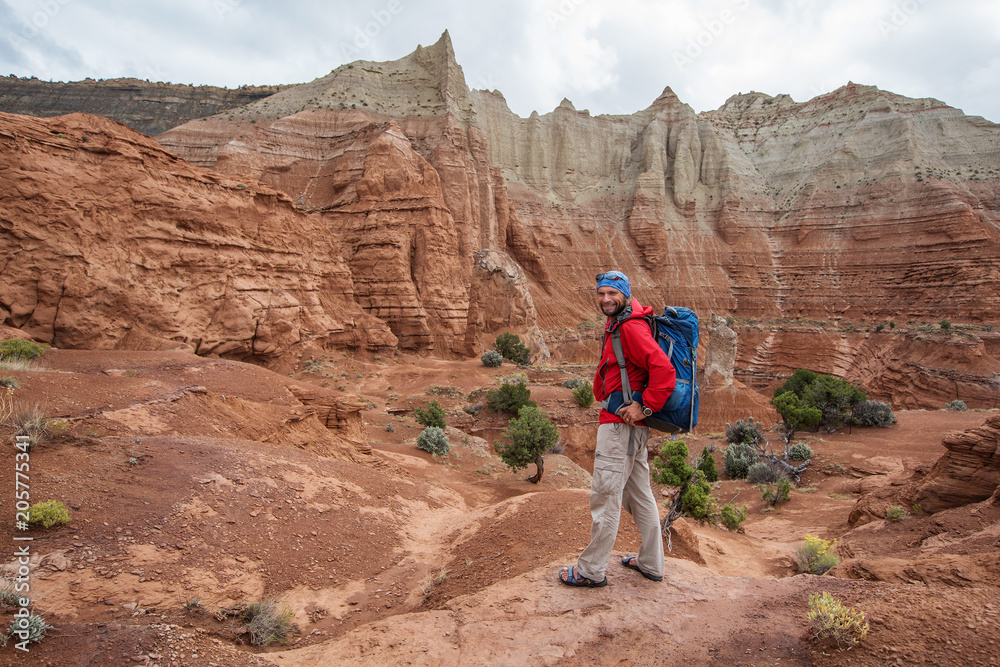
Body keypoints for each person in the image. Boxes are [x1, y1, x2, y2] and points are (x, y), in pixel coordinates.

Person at [559, 270, 676, 587]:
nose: (606, 299)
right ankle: (651, 563)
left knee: (605, 497)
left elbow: (664, 370)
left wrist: (645, 406)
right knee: (640, 496)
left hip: (621, 426)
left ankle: (590, 571)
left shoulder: (631, 328)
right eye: (601, 294)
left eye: (612, 293)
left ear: (624, 294)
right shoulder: (626, 322)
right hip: (631, 429)